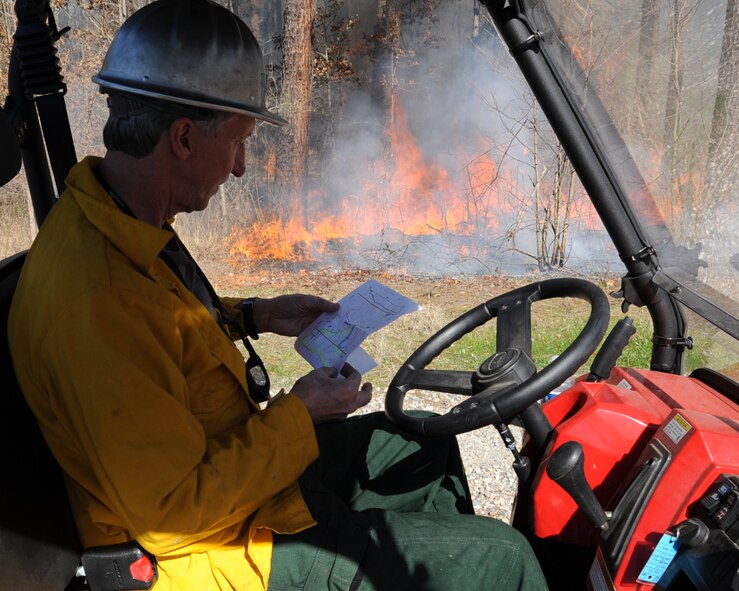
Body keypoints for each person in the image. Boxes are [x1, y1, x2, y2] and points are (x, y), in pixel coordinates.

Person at [8, 1, 548, 589]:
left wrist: (255, 316)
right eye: (239, 142)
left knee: (424, 448)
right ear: (184, 137)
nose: (240, 167)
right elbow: (173, 517)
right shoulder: (96, 301)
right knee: (505, 558)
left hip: (239, 483)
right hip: (209, 553)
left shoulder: (115, 216)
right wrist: (301, 412)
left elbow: (163, 327)